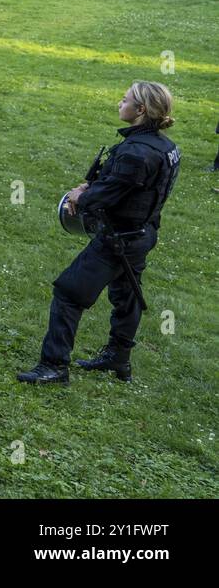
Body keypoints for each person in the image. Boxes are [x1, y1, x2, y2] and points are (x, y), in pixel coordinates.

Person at [18, 83, 180, 385]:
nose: (120, 103)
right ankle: (118, 359)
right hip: (143, 233)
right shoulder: (165, 147)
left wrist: (80, 195)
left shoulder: (137, 152)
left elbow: (108, 194)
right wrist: (92, 188)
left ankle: (54, 365)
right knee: (126, 294)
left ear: (141, 110)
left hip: (118, 238)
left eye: (125, 100)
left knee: (68, 293)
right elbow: (133, 188)